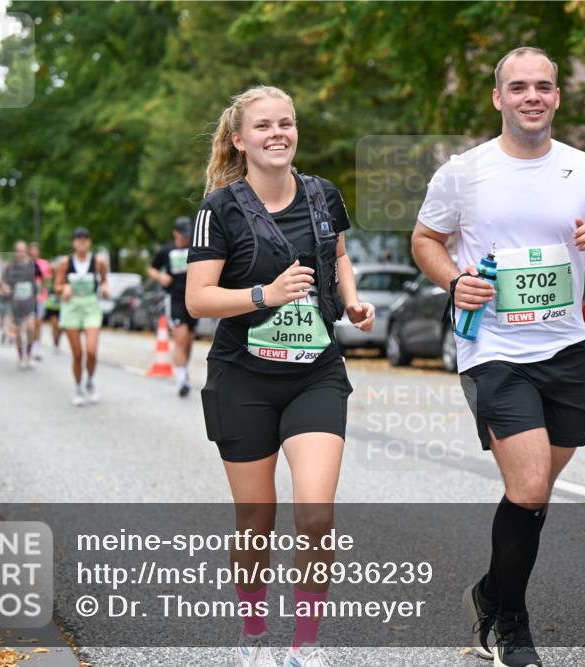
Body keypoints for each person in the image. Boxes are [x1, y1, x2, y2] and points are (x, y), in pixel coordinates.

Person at [411, 47, 585, 667]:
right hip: (493, 347)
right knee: (531, 482)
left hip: (566, 347)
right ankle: (510, 623)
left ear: (557, 97)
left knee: (535, 493)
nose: (531, 96)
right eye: (518, 87)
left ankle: (489, 592)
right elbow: (426, 239)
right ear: (498, 98)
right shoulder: (464, 172)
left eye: (543, 86)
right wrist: (453, 281)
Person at [186, 85, 375, 667]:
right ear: (240, 140)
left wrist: (353, 298)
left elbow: (337, 253)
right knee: (256, 520)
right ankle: (253, 632)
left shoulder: (323, 196)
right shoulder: (218, 209)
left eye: (286, 123)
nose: (277, 134)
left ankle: (305, 646)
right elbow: (197, 299)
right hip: (242, 378)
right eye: (263, 126)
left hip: (314, 373)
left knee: (317, 514)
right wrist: (263, 294)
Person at [55, 227, 108, 406]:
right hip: (72, 307)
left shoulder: (98, 261)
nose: (82, 241)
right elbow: (57, 286)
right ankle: (78, 387)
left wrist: (105, 288)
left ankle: (90, 382)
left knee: (91, 351)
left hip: (91, 305)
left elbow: (104, 279)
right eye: (78, 238)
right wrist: (64, 288)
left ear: (89, 241)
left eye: (85, 237)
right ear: (73, 242)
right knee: (77, 354)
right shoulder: (65, 262)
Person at [149, 216, 196, 396]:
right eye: (183, 234)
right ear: (175, 233)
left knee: (189, 340)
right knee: (181, 337)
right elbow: (152, 268)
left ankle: (183, 369)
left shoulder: (195, 248)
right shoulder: (166, 250)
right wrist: (160, 277)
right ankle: (181, 379)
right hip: (174, 298)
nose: (186, 238)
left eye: (188, 234)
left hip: (192, 299)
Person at [1, 240, 39, 369]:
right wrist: (5, 287)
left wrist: (41, 293)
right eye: (18, 250)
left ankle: (29, 354)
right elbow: (4, 283)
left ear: (26, 250)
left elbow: (42, 278)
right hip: (16, 303)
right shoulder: (10, 267)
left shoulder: (32, 265)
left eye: (22, 249)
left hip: (30, 302)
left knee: (30, 328)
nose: (20, 252)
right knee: (17, 332)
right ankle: (21, 356)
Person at [29, 241, 52, 360]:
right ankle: (29, 346)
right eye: (31, 250)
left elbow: (47, 278)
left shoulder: (44, 264)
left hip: (40, 297)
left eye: (35, 250)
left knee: (38, 323)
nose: (33, 252)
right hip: (28, 298)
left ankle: (36, 348)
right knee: (30, 324)